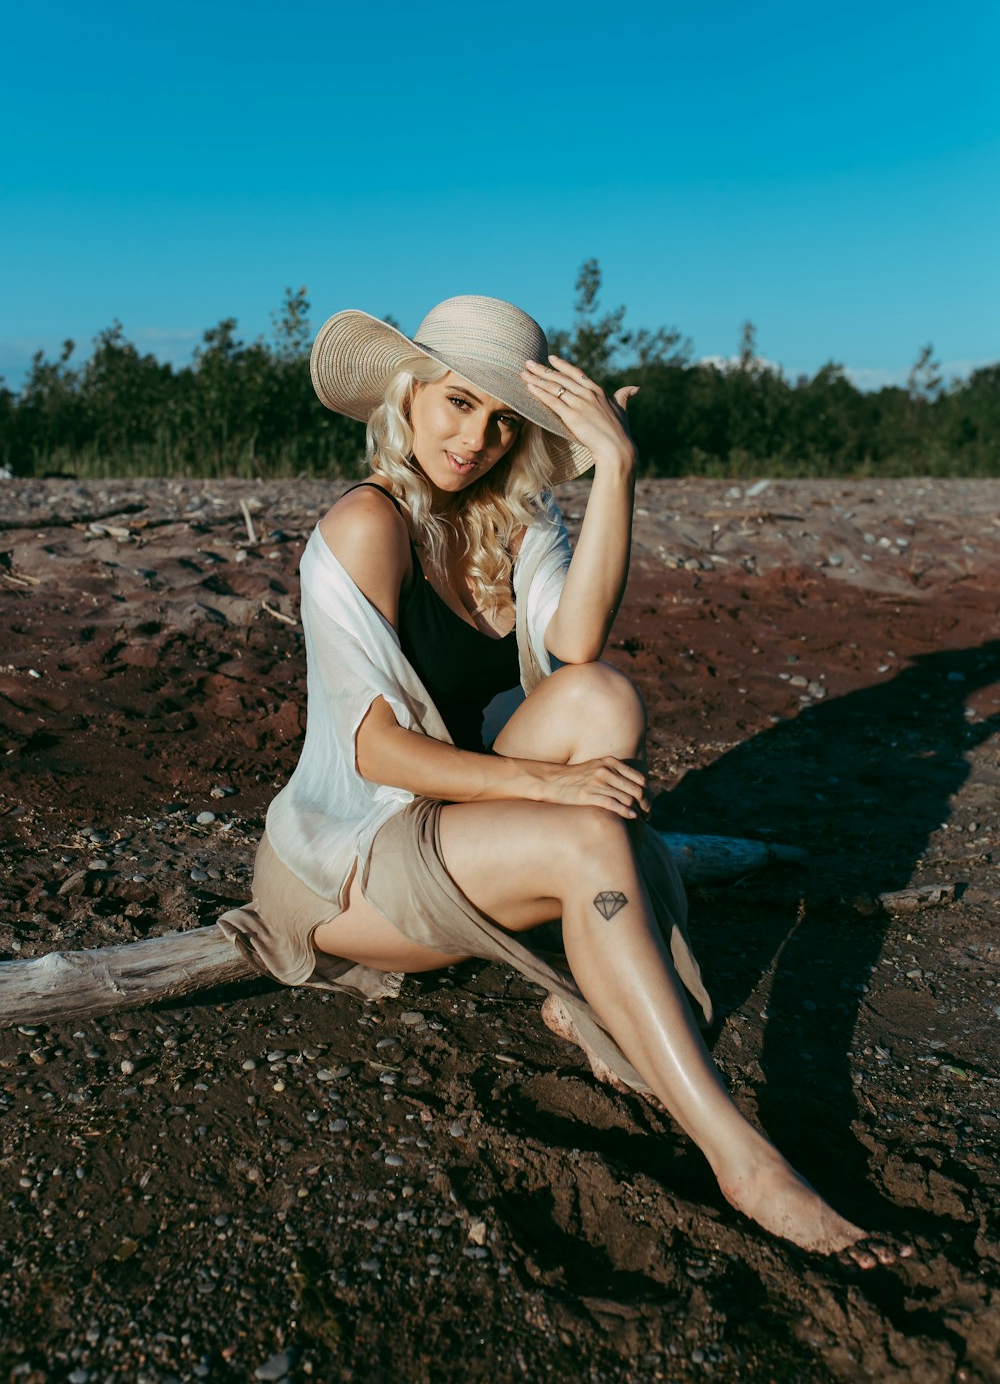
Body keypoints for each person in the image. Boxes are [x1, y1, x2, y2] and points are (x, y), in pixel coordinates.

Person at [219, 294, 905, 1263]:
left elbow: (577, 644)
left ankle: (588, 970)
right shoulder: (365, 524)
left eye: (503, 419)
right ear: (408, 396)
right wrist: (552, 793)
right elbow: (375, 751)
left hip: (463, 830)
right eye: (458, 404)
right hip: (353, 870)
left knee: (602, 698)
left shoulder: (515, 517)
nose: (476, 437)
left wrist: (616, 467)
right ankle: (741, 1158)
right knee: (590, 830)